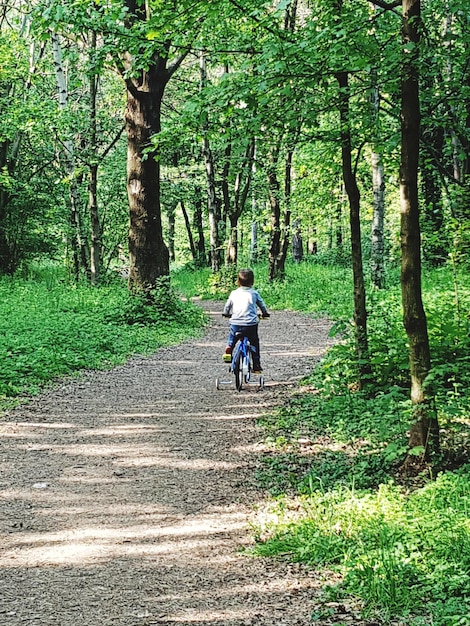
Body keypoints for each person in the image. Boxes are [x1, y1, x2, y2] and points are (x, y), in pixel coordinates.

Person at [222, 268, 270, 373]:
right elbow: (261, 305)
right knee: (254, 343)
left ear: (238, 282)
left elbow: (228, 305)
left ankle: (229, 349)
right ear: (252, 282)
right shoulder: (254, 293)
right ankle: (256, 365)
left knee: (232, 338)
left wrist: (226, 313)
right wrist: (265, 313)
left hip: (236, 323)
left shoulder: (234, 293)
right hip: (250, 324)